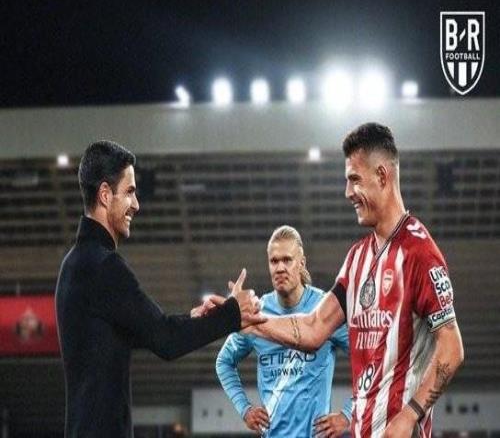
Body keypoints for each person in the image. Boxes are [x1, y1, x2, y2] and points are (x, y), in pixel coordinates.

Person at [244, 123, 464, 437]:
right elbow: (314, 327)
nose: (348, 192)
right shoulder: (357, 257)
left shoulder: (419, 253)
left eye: (354, 179)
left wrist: (409, 415)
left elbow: (452, 349)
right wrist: (245, 321)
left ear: (382, 176)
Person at [55, 140, 264, 438]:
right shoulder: (104, 267)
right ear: (105, 194)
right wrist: (233, 313)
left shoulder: (74, 264)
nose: (136, 204)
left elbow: (144, 329)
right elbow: (166, 340)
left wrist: (194, 319)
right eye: (129, 191)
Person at [216, 225, 352, 437]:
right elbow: (223, 362)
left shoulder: (325, 310)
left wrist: (348, 415)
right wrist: (245, 409)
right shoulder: (256, 313)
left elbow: (370, 362)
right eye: (274, 261)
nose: (280, 268)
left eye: (287, 260)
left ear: (301, 263)